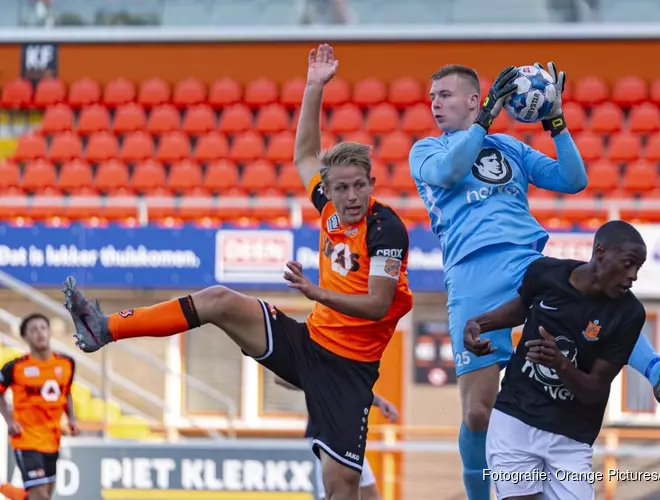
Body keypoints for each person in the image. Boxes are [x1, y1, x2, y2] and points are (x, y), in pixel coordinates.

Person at [61, 43, 413, 500]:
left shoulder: (386, 228)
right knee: (219, 300)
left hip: (349, 368)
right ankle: (104, 328)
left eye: (359, 186)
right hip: (309, 343)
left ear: (372, 183)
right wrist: (313, 88)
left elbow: (377, 304)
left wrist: (315, 292)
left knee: (341, 487)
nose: (349, 197)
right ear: (329, 189)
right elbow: (305, 156)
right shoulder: (328, 207)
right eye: (340, 188)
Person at [408, 63, 660, 500]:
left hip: (525, 262)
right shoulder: (425, 150)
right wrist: (484, 122)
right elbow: (449, 173)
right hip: (470, 276)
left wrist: (556, 121)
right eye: (432, 96)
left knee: (596, 293)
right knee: (478, 413)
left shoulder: (509, 147)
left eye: (444, 94)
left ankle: (659, 371)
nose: (435, 103)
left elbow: (573, 180)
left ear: (474, 98)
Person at [467, 221, 660, 499]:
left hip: (571, 436)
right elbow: (521, 309)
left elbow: (595, 389)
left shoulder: (629, 313)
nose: (633, 276)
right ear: (601, 251)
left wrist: (560, 364)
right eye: (628, 264)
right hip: (515, 419)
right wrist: (478, 323)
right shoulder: (545, 272)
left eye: (638, 269)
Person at [274, 376, 399, 500]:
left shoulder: (346, 361)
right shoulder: (316, 358)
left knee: (370, 495)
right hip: (325, 436)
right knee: (333, 493)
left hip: (349, 435)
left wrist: (380, 401)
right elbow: (279, 377)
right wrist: (316, 381)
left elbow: (350, 385)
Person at [0, 314, 77, 500]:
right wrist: (9, 420)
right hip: (26, 439)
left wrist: (72, 418)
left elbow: (66, 392)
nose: (39, 333)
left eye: (43, 328)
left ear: (49, 332)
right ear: (25, 337)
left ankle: (5, 489)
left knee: (43, 496)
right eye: (33, 330)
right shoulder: (16, 368)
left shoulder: (66, 363)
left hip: (52, 439)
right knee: (40, 497)